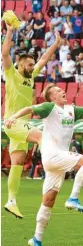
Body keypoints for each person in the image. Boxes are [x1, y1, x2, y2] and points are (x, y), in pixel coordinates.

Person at [5, 84, 83, 246]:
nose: (62, 91)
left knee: (48, 201)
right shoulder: (49, 107)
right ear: (52, 98)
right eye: (57, 91)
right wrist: (13, 117)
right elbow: (29, 108)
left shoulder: (71, 109)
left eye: (62, 90)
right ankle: (73, 198)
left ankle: (37, 239)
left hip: (56, 161)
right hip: (52, 154)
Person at [2, 24, 62, 219]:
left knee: (18, 162)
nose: (32, 66)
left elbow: (44, 59)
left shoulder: (30, 77)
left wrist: (56, 44)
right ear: (20, 65)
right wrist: (10, 31)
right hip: (14, 122)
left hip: (20, 126)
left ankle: (11, 201)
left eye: (32, 65)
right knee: (42, 138)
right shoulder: (12, 74)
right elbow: (5, 54)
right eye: (29, 64)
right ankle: (54, 173)